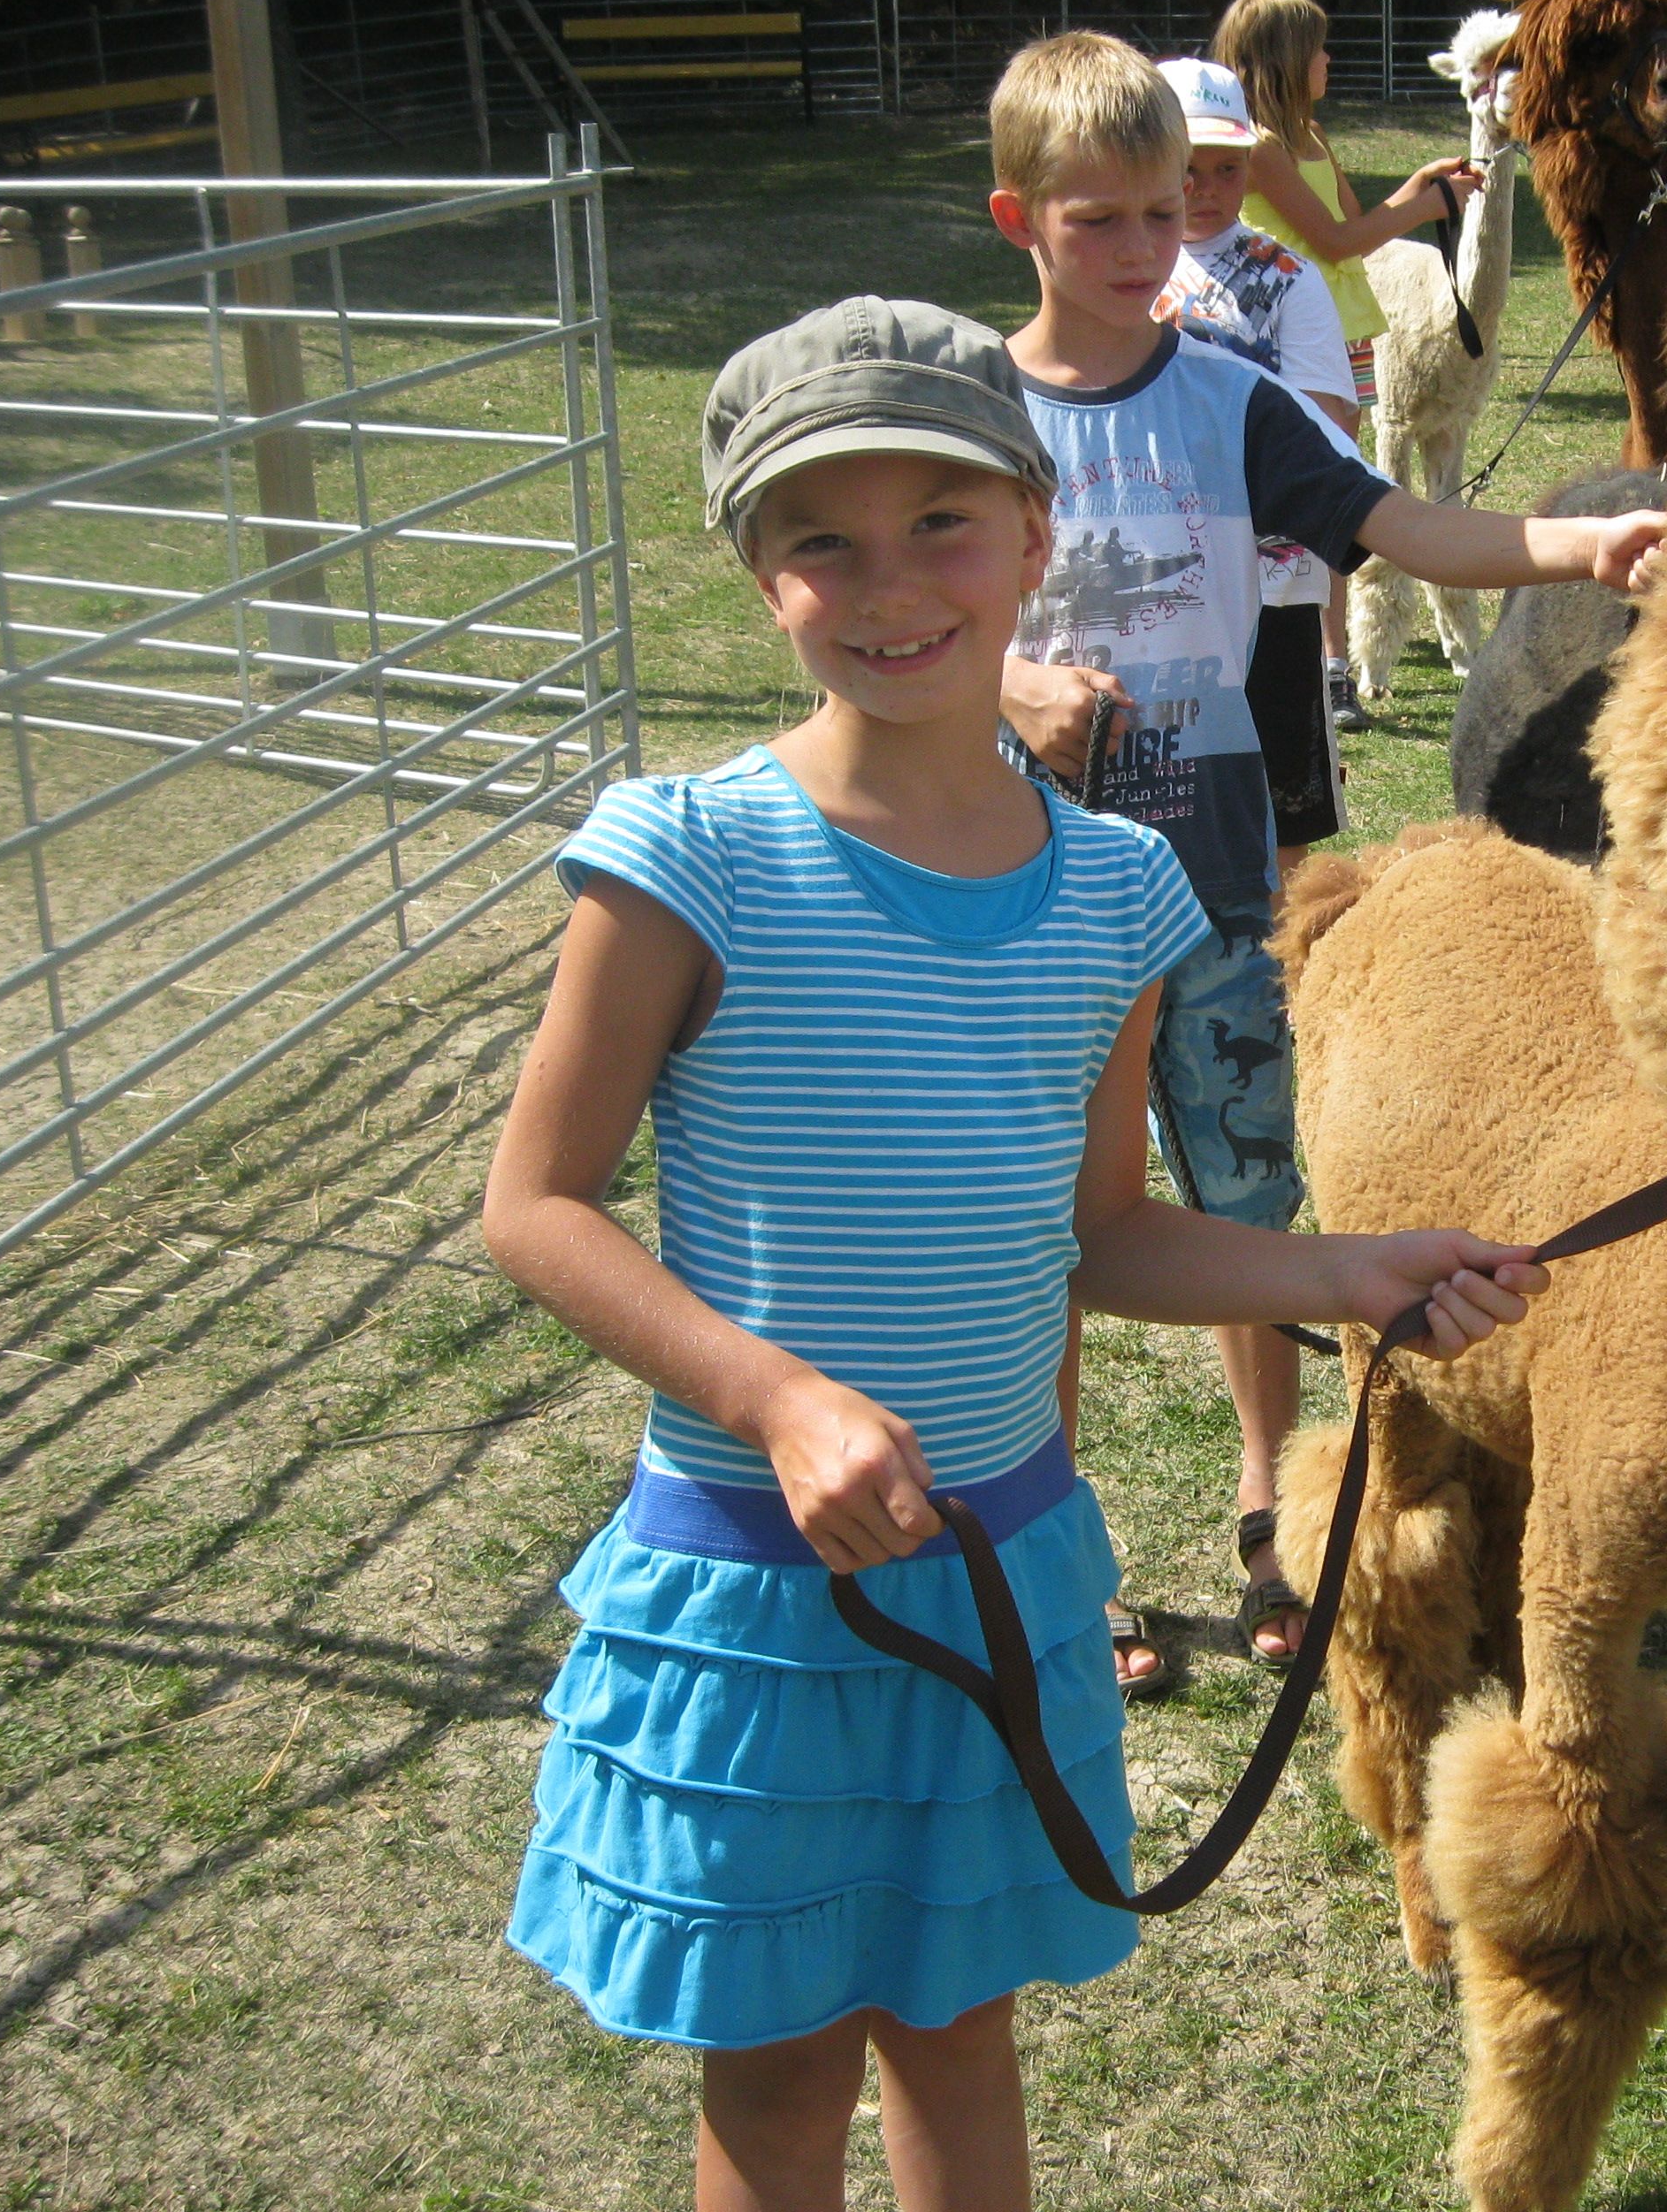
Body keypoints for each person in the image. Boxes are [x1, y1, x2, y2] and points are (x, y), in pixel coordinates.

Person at [480, 294, 1546, 2212]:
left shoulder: (1119, 893)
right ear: (758, 574)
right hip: (762, 1578)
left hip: (1003, 1561)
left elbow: (1107, 1236)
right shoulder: (685, 856)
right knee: (785, 2085)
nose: (889, 585)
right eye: (824, 539)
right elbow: (533, 1207)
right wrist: (778, 1400)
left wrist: (1349, 1271)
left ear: (1037, 542)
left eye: (943, 526)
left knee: (963, 2044)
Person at [983, 31, 1663, 1695]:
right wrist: (1005, 681)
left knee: (1248, 1207)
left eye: (1164, 214)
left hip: (1211, 883)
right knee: (1033, 1236)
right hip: (1014, 890)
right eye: (1102, 223)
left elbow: (1398, 525)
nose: (1149, 251)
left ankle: (1268, 1508)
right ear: (1019, 222)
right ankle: (1055, 1553)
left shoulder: (1231, 397)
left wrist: (1577, 542)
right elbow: (901, 608)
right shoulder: (965, 414)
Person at [1213, 0, 1478, 731]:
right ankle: (1270, 649)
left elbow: (1351, 225)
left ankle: (1334, 669)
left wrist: (1417, 189)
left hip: (1337, 335)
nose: (1330, 59)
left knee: (1332, 496)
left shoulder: (1311, 139)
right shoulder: (1260, 151)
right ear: (1287, 61)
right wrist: (1423, 208)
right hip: (1274, 339)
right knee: (1273, 500)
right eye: (1320, 48)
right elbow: (1334, 242)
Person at [1152, 54, 1356, 878]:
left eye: (1226, 169)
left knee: (1282, 810)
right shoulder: (1122, 273)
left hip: (1273, 585)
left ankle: (1280, 979)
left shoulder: (1289, 280)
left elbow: (1329, 424)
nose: (1205, 188)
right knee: (1159, 798)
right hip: (1162, 594)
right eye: (1185, 168)